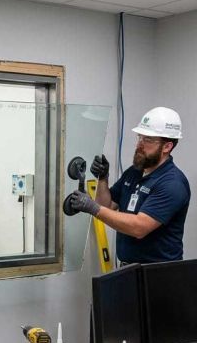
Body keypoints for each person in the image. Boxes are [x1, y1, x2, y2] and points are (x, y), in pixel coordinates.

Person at [70, 107, 190, 264]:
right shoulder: (134, 172)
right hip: (129, 268)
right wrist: (103, 178)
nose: (139, 144)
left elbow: (139, 228)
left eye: (147, 140)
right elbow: (106, 206)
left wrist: (92, 207)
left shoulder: (172, 183)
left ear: (167, 147)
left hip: (158, 272)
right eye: (140, 137)